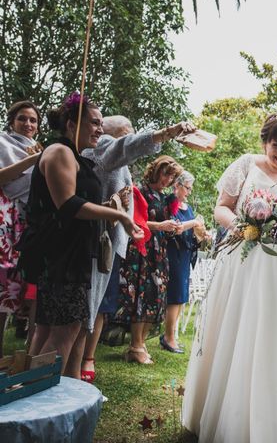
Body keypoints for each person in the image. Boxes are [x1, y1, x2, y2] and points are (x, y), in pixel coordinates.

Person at [182, 112, 277, 441]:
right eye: (276, 145)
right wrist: (239, 226)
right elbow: (222, 205)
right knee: (243, 329)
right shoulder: (246, 163)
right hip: (246, 259)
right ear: (265, 142)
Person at [17, 92, 143, 378]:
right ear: (72, 124)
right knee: (64, 334)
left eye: (101, 123)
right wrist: (119, 215)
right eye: (94, 123)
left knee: (48, 330)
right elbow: (68, 205)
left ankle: (33, 397)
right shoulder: (60, 151)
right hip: (62, 257)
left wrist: (109, 206)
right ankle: (45, 403)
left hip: (67, 254)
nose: (100, 129)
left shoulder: (71, 154)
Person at [79, 116, 195, 382]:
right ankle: (79, 364)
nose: (130, 138)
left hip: (118, 242)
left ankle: (86, 359)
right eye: (126, 134)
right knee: (90, 306)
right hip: (104, 242)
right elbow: (124, 149)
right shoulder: (103, 149)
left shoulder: (121, 165)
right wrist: (166, 132)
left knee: (100, 307)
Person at [113, 155, 183, 364]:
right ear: (156, 170)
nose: (168, 180)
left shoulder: (164, 197)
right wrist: (160, 226)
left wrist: (172, 227)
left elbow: (162, 225)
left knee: (155, 296)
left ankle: (141, 344)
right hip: (140, 250)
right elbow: (135, 221)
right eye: (166, 174)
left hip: (159, 251)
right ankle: (135, 345)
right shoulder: (140, 191)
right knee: (140, 295)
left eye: (172, 177)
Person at [0, 101, 42, 356]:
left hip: (29, 223)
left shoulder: (40, 149)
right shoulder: (3, 143)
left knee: (19, 288)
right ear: (12, 121)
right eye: (22, 119)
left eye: (33, 120)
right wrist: (31, 161)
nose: (28, 124)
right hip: (5, 220)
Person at [161, 171, 208, 354]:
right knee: (175, 296)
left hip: (186, 253)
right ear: (178, 185)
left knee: (182, 296)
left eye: (190, 188)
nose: (189, 191)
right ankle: (168, 337)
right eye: (187, 187)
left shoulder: (187, 207)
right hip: (174, 252)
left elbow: (192, 228)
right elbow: (176, 227)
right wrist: (194, 222)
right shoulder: (170, 203)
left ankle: (170, 335)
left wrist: (202, 232)